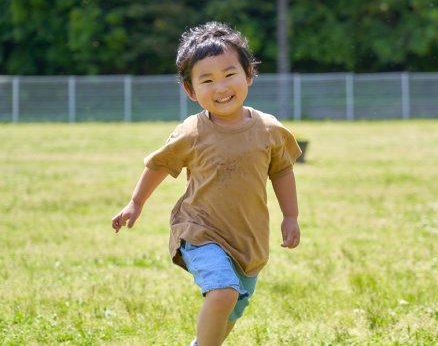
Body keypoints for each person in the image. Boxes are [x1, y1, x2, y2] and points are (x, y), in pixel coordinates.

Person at [111, 22, 302, 346]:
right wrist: (136, 202)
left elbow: (281, 171)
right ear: (191, 90)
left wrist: (291, 216)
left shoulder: (268, 129)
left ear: (249, 75)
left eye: (229, 74)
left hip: (248, 241)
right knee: (223, 292)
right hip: (200, 232)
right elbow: (159, 165)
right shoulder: (192, 132)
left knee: (229, 315)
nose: (221, 86)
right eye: (207, 80)